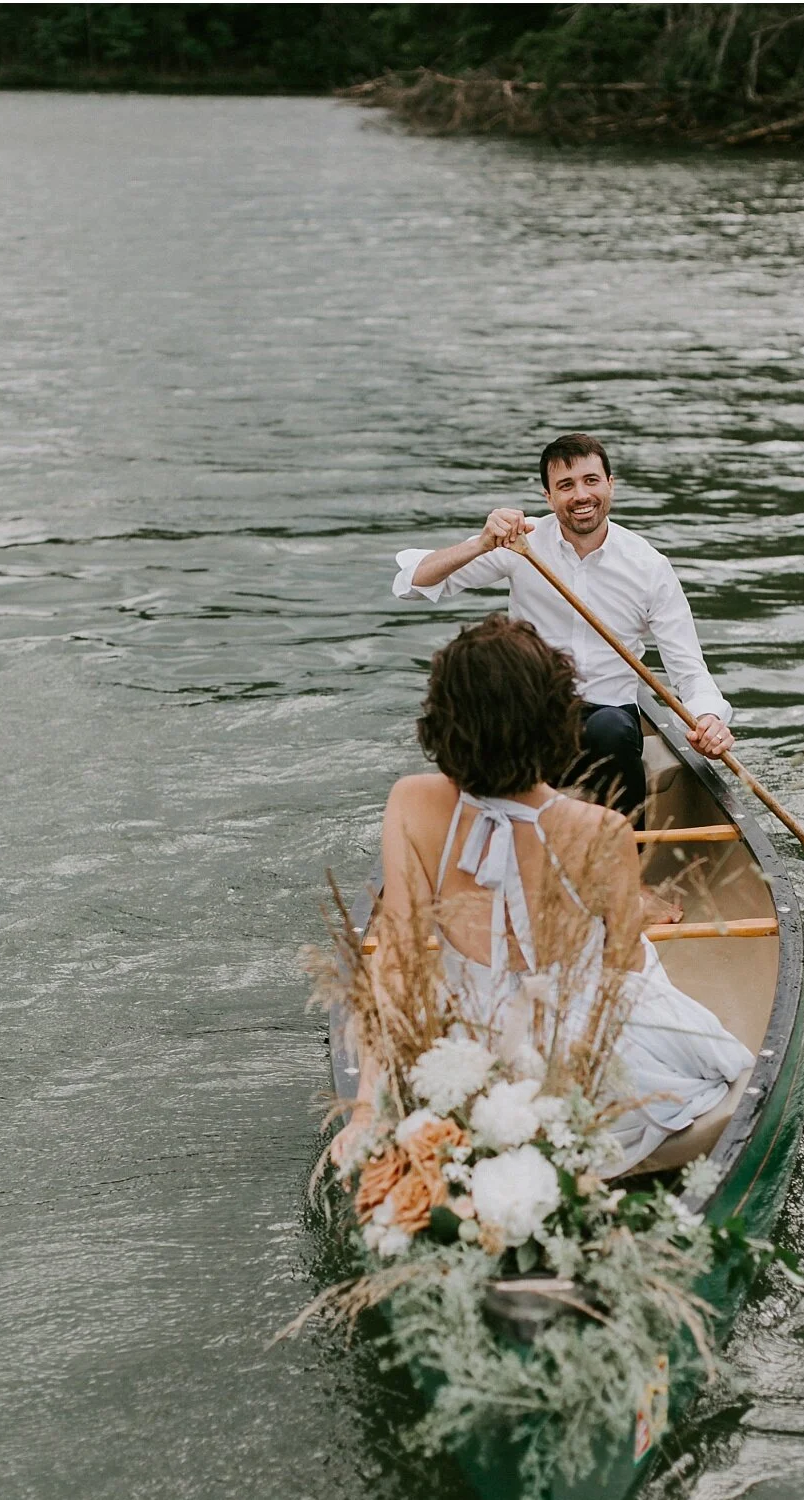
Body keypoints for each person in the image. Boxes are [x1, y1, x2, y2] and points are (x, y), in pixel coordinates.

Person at [330, 615, 753, 1177]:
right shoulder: (603, 830)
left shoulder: (411, 802)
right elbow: (621, 968)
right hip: (579, 1044)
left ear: (446, 721)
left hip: (477, 1039)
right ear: (557, 723)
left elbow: (400, 962)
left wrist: (367, 1111)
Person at [392, 430, 736, 825]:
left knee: (611, 730)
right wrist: (482, 543)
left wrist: (708, 719)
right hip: (533, 709)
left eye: (591, 481)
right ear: (548, 497)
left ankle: (624, 855)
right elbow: (413, 584)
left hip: (610, 715)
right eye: (565, 485)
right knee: (496, 728)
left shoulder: (649, 566)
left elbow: (690, 671)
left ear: (611, 485)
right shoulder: (522, 544)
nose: (581, 496)